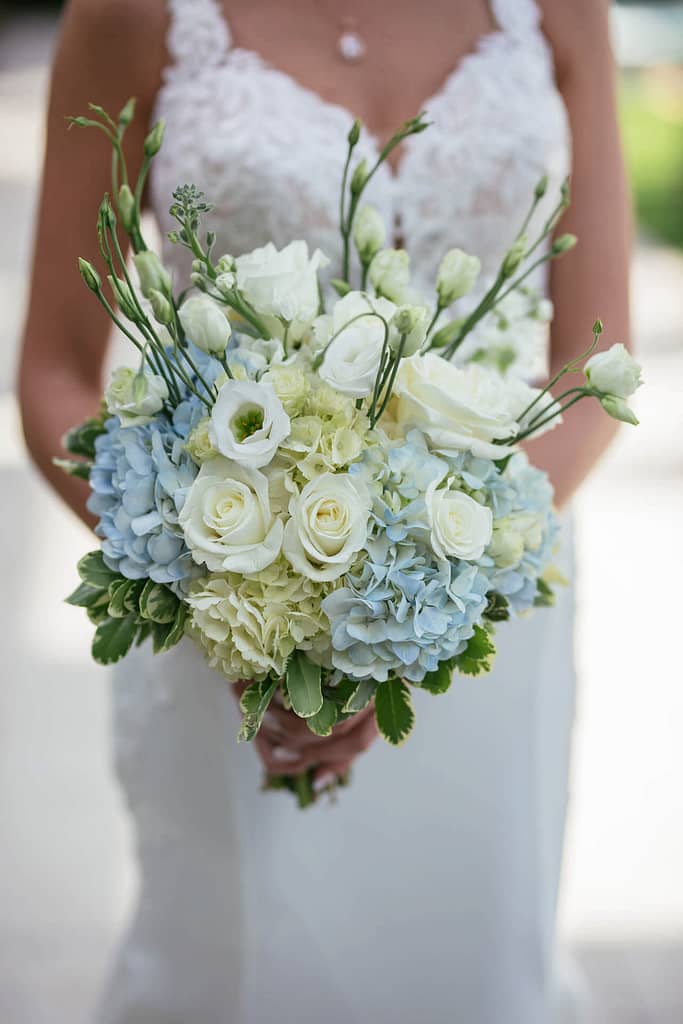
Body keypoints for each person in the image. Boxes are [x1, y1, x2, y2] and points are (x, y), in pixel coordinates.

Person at [19, 1, 630, 1021]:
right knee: (234, 959)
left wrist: (434, 592)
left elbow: (588, 369)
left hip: (486, 606)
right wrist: (220, 591)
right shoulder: (132, 12)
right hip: (224, 628)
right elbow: (52, 373)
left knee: (469, 965)